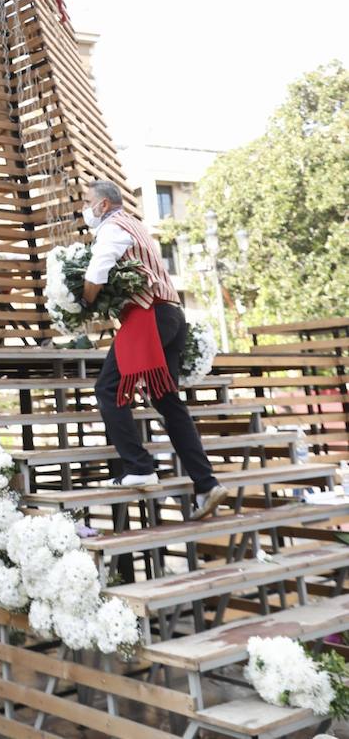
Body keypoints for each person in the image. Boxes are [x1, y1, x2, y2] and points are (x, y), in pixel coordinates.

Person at [84, 180, 228, 520]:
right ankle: (206, 484)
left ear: (103, 205)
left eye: (88, 201)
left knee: (107, 389)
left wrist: (86, 299)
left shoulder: (112, 228)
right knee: (167, 400)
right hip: (172, 315)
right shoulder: (135, 224)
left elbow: (97, 272)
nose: (85, 207)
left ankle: (138, 466)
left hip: (147, 316)